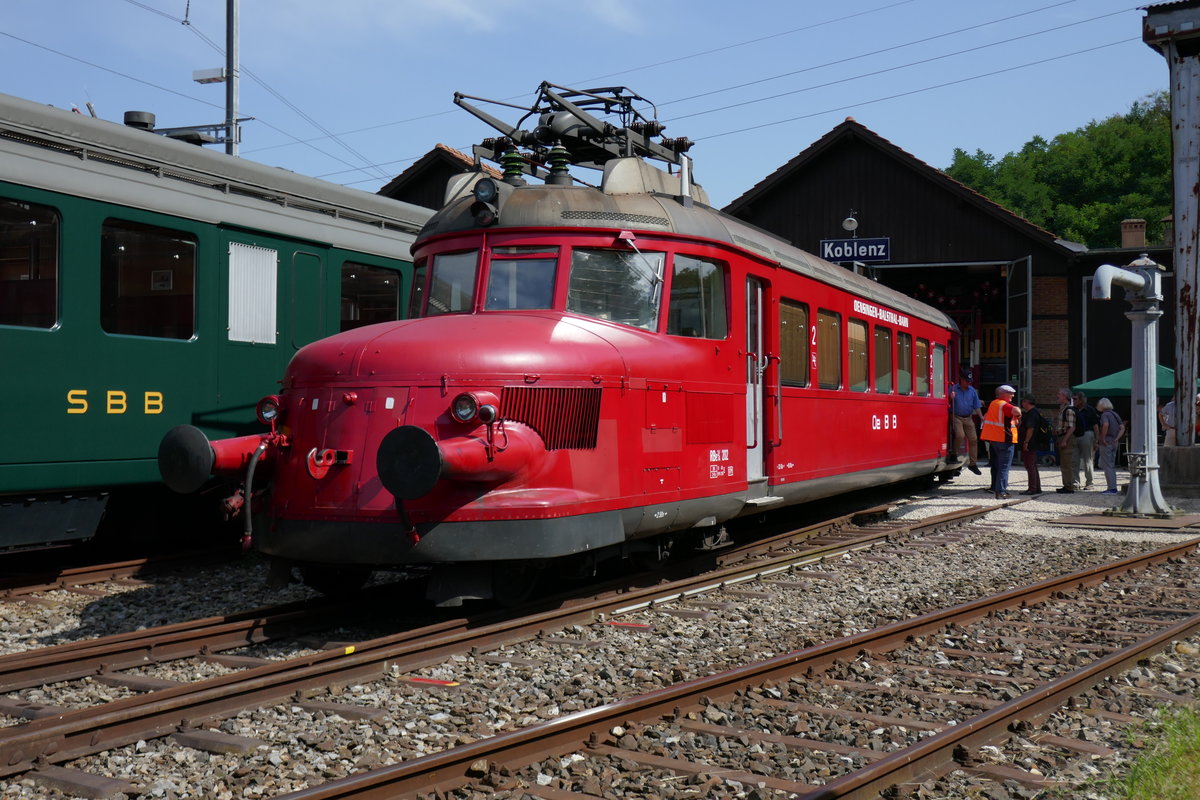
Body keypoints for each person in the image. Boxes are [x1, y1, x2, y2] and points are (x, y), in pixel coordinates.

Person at [980, 384, 1021, 499]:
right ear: (1003, 394)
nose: (1013, 395)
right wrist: (1019, 414)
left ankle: (998, 488)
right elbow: (1016, 411)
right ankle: (1001, 491)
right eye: (1010, 393)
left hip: (994, 441)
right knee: (1004, 467)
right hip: (1005, 440)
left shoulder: (993, 404)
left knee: (997, 466)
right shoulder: (1005, 405)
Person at [948, 370, 982, 475]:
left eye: (970, 381)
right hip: (956, 416)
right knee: (960, 435)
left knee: (974, 439)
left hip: (968, 417)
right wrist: (950, 397)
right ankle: (954, 453)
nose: (969, 383)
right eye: (967, 381)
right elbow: (945, 401)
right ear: (961, 380)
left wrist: (981, 417)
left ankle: (973, 464)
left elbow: (977, 406)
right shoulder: (953, 389)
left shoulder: (972, 391)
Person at [1096, 397, 1124, 495]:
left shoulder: (1105, 415)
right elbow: (1122, 427)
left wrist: (1102, 438)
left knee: (1107, 465)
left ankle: (1111, 488)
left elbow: (1105, 425)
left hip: (1106, 442)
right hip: (1114, 442)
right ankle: (1113, 487)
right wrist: (1117, 438)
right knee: (1111, 465)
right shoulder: (1115, 414)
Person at [1017, 394, 1044, 494]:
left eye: (1023, 401)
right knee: (1032, 465)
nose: (1022, 403)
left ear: (1027, 402)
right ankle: (1037, 487)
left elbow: (1030, 428)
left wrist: (1026, 442)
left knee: (1029, 465)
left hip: (1030, 442)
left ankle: (1032, 488)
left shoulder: (1032, 414)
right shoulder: (1035, 412)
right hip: (1034, 442)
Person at [1073, 392, 1099, 490]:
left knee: (1087, 460)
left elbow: (1095, 426)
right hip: (1075, 435)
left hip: (1087, 434)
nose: (1073, 401)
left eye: (1075, 399)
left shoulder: (1090, 410)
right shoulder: (1073, 410)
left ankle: (1090, 483)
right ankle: (1075, 483)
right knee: (1074, 460)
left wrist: (1097, 440)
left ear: (1081, 400)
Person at [1055, 388, 1077, 493]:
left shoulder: (1068, 410)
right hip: (1062, 437)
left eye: (1059, 394)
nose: (1057, 396)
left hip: (1067, 438)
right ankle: (1066, 485)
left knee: (1067, 463)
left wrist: (1064, 440)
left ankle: (1069, 486)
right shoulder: (1063, 409)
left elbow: (1072, 427)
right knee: (1064, 463)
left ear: (1064, 397)